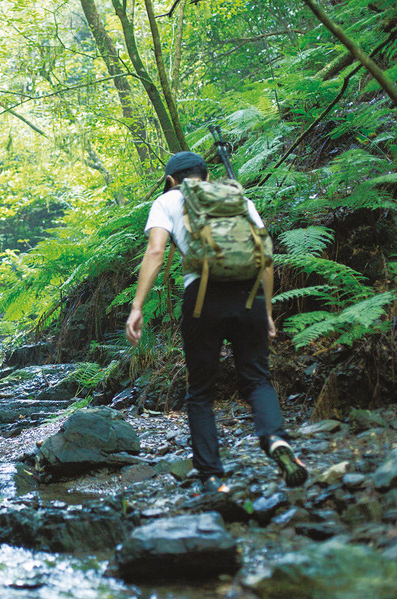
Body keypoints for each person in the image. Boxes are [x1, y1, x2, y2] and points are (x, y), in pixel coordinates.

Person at [125, 151, 308, 493]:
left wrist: (137, 307)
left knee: (200, 392)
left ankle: (212, 476)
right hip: (249, 296)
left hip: (203, 297)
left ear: (171, 181)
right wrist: (266, 310)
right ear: (206, 177)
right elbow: (265, 257)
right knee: (257, 380)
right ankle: (276, 441)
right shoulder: (238, 198)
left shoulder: (167, 201)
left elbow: (155, 252)